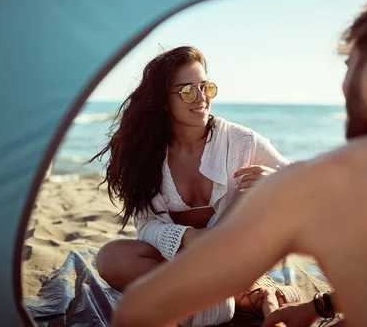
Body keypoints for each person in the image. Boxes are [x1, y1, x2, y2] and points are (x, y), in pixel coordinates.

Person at [110, 0, 367, 327]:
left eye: (348, 64)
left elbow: (137, 312)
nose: (343, 81)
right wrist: (319, 307)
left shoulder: (322, 183)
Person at [90, 46, 300, 327]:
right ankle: (243, 297)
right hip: (183, 263)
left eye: (206, 87)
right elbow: (147, 226)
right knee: (110, 258)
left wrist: (274, 182)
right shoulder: (143, 155)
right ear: (163, 102)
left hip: (232, 258)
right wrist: (189, 238)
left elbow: (304, 185)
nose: (201, 98)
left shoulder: (241, 142)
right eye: (187, 91)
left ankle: (213, 300)